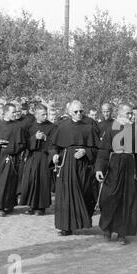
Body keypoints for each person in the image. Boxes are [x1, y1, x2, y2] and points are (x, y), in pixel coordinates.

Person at [95, 104, 137, 245]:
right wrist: (99, 169)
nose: (131, 116)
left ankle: (122, 233)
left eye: (132, 113)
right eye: (128, 113)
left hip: (129, 167)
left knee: (127, 199)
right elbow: (103, 151)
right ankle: (107, 228)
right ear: (119, 114)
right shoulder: (110, 128)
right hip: (114, 166)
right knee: (111, 197)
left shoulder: (136, 130)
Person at [50, 100, 99, 236]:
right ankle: (66, 227)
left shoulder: (89, 127)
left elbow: (96, 148)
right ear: (69, 112)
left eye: (81, 111)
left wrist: (85, 152)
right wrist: (54, 155)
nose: (79, 114)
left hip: (84, 165)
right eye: (75, 111)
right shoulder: (62, 127)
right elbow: (54, 146)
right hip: (66, 164)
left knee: (84, 192)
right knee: (66, 195)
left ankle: (82, 221)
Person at [0, 103, 26, 217]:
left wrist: (10, 147)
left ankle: (9, 204)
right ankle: (1, 207)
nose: (15, 114)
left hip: (12, 159)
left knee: (10, 182)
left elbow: (22, 144)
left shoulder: (18, 127)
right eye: (13, 112)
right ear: (6, 112)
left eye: (16, 112)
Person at [19, 104, 57, 215]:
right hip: (32, 156)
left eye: (46, 114)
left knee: (43, 181)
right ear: (36, 115)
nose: (45, 116)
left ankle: (41, 207)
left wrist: (45, 138)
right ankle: (31, 205)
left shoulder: (52, 127)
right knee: (31, 181)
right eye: (42, 114)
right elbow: (25, 143)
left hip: (44, 157)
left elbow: (54, 143)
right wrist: (34, 138)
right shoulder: (30, 127)